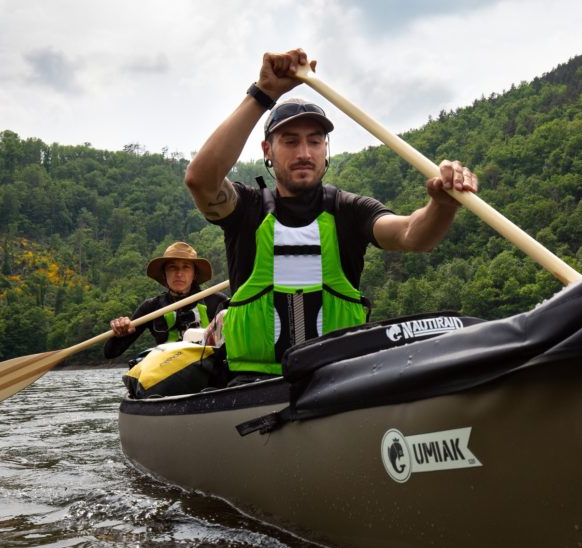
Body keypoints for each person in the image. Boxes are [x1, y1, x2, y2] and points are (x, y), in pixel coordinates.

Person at [184, 48, 478, 377]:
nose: (304, 153)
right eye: (290, 141)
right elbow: (201, 180)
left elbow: (413, 235)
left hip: (338, 381)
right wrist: (263, 94)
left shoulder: (349, 210)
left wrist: (442, 205)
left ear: (326, 149)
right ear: (267, 150)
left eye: (315, 141)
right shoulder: (246, 209)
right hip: (253, 384)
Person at [104, 241, 228, 359]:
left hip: (208, 365)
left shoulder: (216, 300)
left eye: (186, 267)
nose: (179, 273)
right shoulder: (151, 307)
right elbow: (111, 352)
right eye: (172, 267)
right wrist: (121, 332)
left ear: (194, 274)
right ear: (164, 273)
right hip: (168, 367)